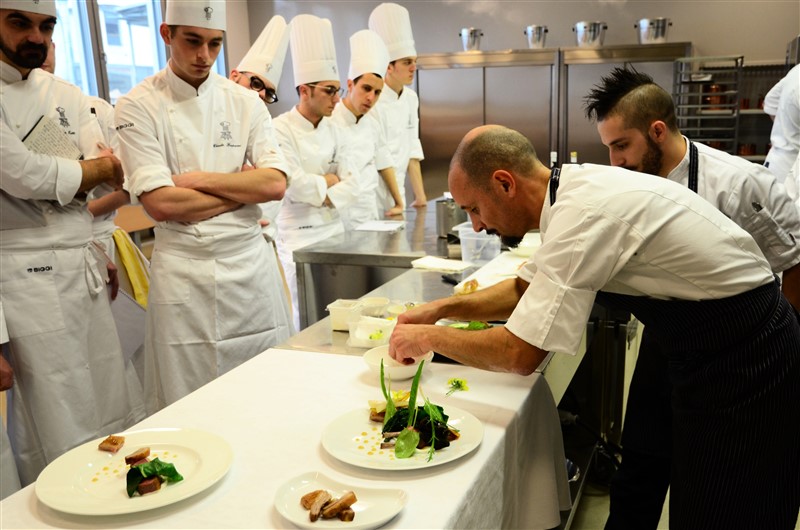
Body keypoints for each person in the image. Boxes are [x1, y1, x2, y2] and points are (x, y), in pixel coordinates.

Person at [389, 125, 800, 530]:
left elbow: (520, 354)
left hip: (746, 352)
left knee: (727, 509)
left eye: (474, 208)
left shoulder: (582, 213)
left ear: (504, 183)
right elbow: (522, 286)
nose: (476, 226)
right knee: (658, 474)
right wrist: (438, 309)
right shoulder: (570, 191)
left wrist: (427, 337)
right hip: (698, 342)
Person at [582, 66, 800, 530]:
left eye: (622, 146)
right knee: (639, 468)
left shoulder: (741, 184)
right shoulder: (629, 184)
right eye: (609, 149)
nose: (615, 161)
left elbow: (794, 262)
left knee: (707, 482)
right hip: (665, 344)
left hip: (737, 361)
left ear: (657, 130)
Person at [115, 0, 293, 412]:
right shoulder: (138, 105)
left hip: (250, 271)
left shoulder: (244, 102)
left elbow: (275, 182)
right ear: (166, 34)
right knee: (189, 400)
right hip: (185, 272)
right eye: (193, 41)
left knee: (263, 394)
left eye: (215, 44)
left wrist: (198, 181)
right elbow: (161, 203)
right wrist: (241, 191)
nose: (204, 56)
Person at [0, 0, 145, 485]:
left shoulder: (65, 92)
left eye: (45, 26)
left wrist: (93, 174)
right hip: (21, 280)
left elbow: (111, 178)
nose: (36, 38)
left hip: (83, 262)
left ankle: (120, 491)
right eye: (19, 22)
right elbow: (20, 173)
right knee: (53, 404)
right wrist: (95, 169)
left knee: (108, 384)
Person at [272, 14, 360, 329]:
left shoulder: (336, 128)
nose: (337, 99)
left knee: (343, 311)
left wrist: (320, 189)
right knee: (306, 314)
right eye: (329, 91)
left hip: (335, 230)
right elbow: (293, 186)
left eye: (337, 91)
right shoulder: (279, 129)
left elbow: (354, 183)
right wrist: (329, 181)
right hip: (299, 236)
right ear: (304, 90)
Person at [331, 29, 397, 229]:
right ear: (350, 84)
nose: (371, 98)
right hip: (338, 218)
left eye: (377, 92)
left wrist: (399, 200)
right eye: (366, 89)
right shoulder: (330, 120)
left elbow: (383, 161)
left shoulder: (372, 124)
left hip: (369, 215)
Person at [369, 2, 427, 214]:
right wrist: (397, 200)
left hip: (398, 193)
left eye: (414, 61)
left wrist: (420, 196)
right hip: (374, 195)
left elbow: (412, 145)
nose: (413, 67)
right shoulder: (372, 100)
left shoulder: (411, 98)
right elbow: (381, 153)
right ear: (389, 67)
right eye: (406, 62)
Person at [764, 64, 800, 184]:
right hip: (792, 172)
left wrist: (786, 129)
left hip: (776, 164)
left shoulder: (796, 71)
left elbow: (770, 102)